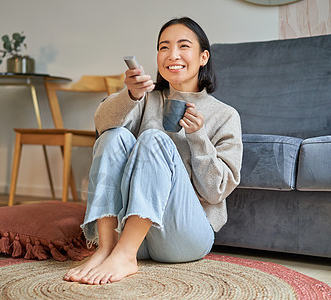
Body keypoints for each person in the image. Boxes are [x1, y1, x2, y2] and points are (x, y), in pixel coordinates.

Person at [64, 17, 243, 285]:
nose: (172, 55)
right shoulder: (146, 98)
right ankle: (107, 248)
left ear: (203, 56)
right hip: (134, 235)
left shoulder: (225, 115)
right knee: (113, 136)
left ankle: (124, 255)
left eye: (184, 46)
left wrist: (197, 137)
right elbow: (101, 127)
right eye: (163, 47)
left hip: (185, 238)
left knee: (153, 139)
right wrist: (130, 95)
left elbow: (216, 191)